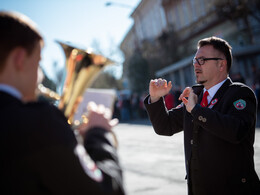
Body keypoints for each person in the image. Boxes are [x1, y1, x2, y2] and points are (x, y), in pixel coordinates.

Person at [0, 11, 124, 195]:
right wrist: (98, 133)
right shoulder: (38, 122)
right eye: (38, 63)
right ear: (19, 59)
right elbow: (107, 190)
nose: (39, 76)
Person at [144, 36, 260, 195]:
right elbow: (165, 126)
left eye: (203, 60)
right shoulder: (195, 94)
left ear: (221, 64)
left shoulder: (239, 93)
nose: (196, 65)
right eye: (195, 60)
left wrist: (196, 109)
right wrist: (156, 98)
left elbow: (236, 131)